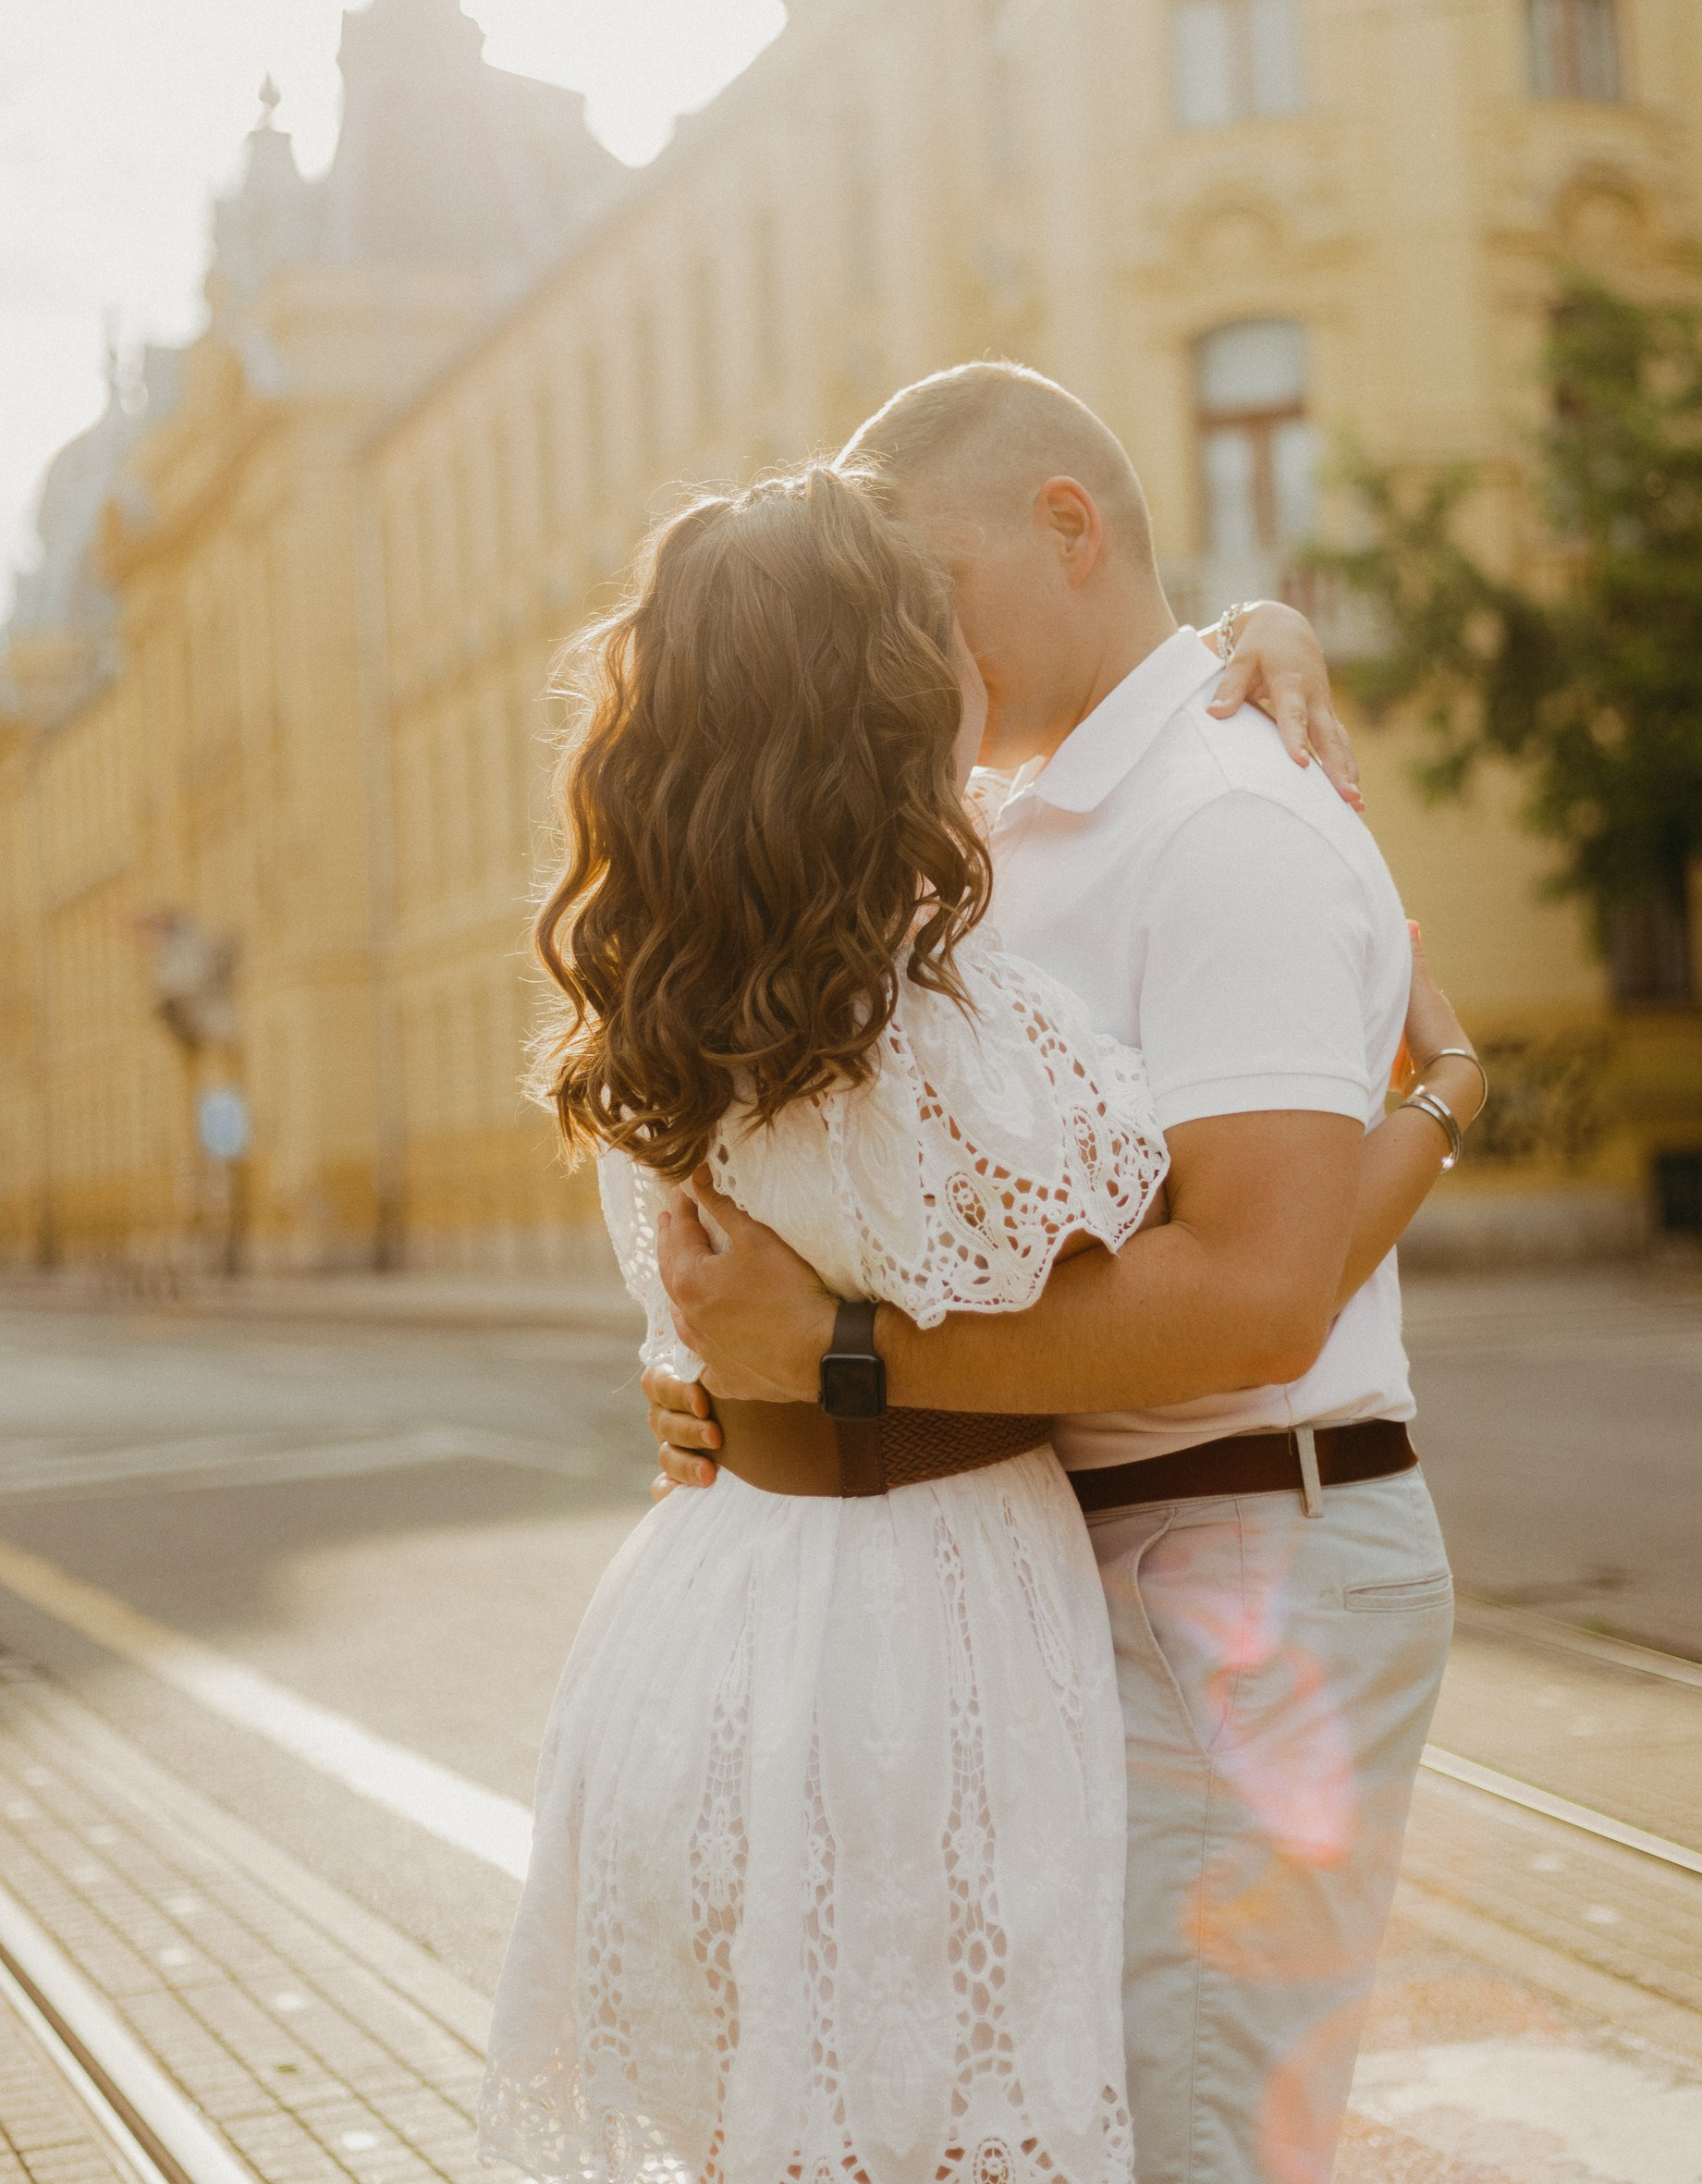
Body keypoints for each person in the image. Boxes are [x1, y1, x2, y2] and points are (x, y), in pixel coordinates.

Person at [646, 364, 1485, 2184]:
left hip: (1242, 1560)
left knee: (1188, 2141)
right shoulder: (999, 822)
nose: (900, 649)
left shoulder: (1224, 823)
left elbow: (1259, 1297)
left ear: (1068, 525)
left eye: (924, 595)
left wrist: (836, 1360)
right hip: (1071, 1584)